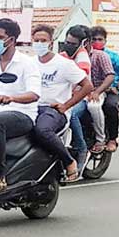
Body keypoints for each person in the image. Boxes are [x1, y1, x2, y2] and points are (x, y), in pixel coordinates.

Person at [0, 18, 41, 196]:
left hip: (22, 114)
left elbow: (34, 94)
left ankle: (0, 176)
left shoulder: (27, 64)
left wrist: (11, 98)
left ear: (11, 40)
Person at [30, 24, 94, 183]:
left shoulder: (64, 64)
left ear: (51, 43)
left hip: (53, 110)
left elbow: (87, 86)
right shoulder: (28, 63)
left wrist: (66, 105)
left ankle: (69, 161)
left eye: (43, 40)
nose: (39, 43)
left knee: (42, 130)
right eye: (36, 40)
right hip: (30, 107)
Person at [63, 25, 114, 165]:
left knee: (88, 108)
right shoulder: (64, 57)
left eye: (73, 44)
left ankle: (96, 141)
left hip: (91, 93)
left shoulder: (95, 56)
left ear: (85, 43)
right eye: (67, 42)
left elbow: (109, 76)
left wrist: (97, 92)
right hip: (69, 95)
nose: (69, 46)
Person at [91, 25, 119, 153]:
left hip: (112, 91)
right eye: (93, 39)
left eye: (100, 39)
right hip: (92, 91)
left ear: (105, 41)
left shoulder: (112, 56)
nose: (97, 42)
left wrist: (117, 86)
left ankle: (112, 139)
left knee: (110, 106)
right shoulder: (86, 55)